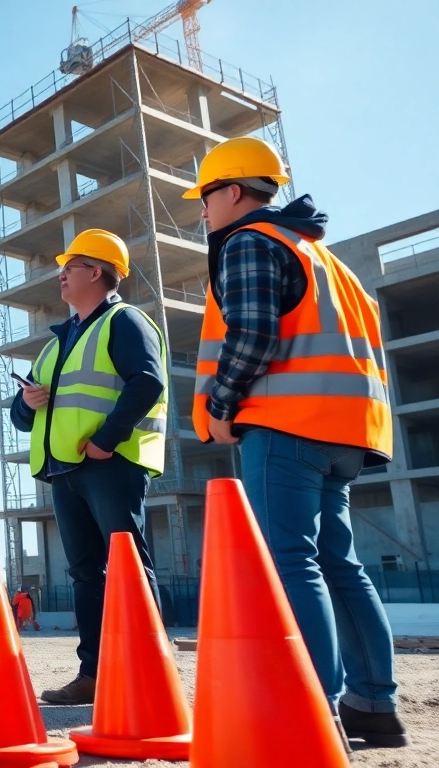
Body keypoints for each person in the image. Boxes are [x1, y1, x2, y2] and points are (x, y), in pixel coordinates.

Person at [190, 136, 407, 747]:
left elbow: (253, 330)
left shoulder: (249, 242)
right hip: (346, 433)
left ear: (233, 192)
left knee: (289, 562)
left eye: (206, 199)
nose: (202, 213)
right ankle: (374, 707)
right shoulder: (322, 256)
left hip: (285, 424)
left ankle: (315, 706)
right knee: (340, 563)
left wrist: (222, 403)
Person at [9, 228, 168, 705]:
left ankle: (147, 675)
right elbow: (21, 416)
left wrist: (105, 440)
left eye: (70, 267)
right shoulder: (56, 343)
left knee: (128, 567)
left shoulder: (124, 321)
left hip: (109, 463)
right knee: (85, 573)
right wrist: (27, 400)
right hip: (65, 470)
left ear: (96, 272)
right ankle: (94, 674)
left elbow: (147, 383)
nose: (61, 275)